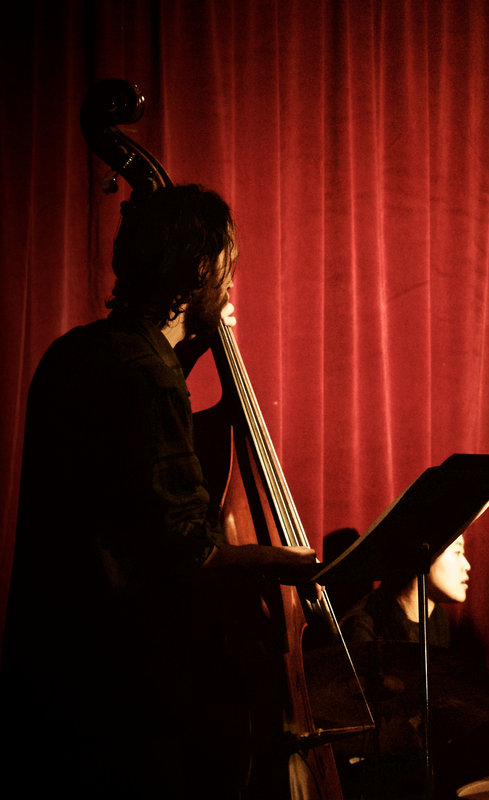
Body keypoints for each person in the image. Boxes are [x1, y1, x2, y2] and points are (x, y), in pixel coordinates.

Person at [0, 184, 319, 798]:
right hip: (128, 699)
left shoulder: (75, 352)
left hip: (53, 677)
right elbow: (188, 554)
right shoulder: (148, 379)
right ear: (198, 270)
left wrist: (190, 346)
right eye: (226, 268)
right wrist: (282, 559)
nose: (230, 283)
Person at [338, 534, 489, 800]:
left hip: (423, 767)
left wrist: (484, 711)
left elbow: (436, 695)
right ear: (423, 556)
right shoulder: (365, 625)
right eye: (457, 552)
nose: (467, 565)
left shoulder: (438, 620)